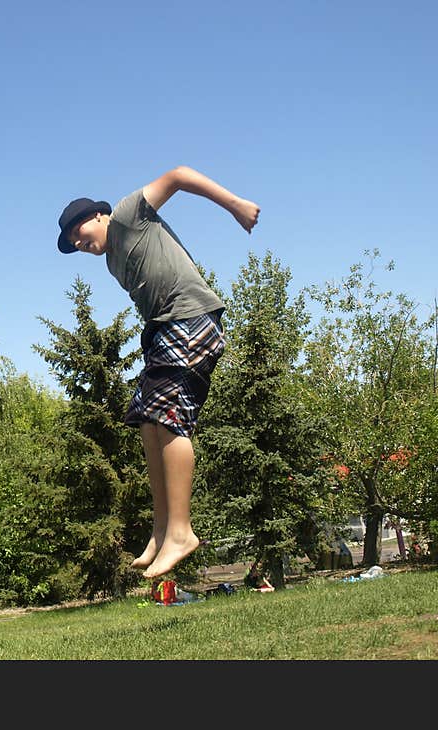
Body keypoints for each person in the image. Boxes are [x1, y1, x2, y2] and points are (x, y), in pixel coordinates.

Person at [55, 166, 260, 579]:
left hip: (192, 319)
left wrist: (235, 206)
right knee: (149, 423)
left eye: (78, 233)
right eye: (73, 244)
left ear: (98, 215)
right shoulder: (113, 261)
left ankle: (182, 531)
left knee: (168, 417)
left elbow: (180, 175)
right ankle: (163, 528)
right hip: (166, 330)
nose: (78, 243)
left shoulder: (130, 214)